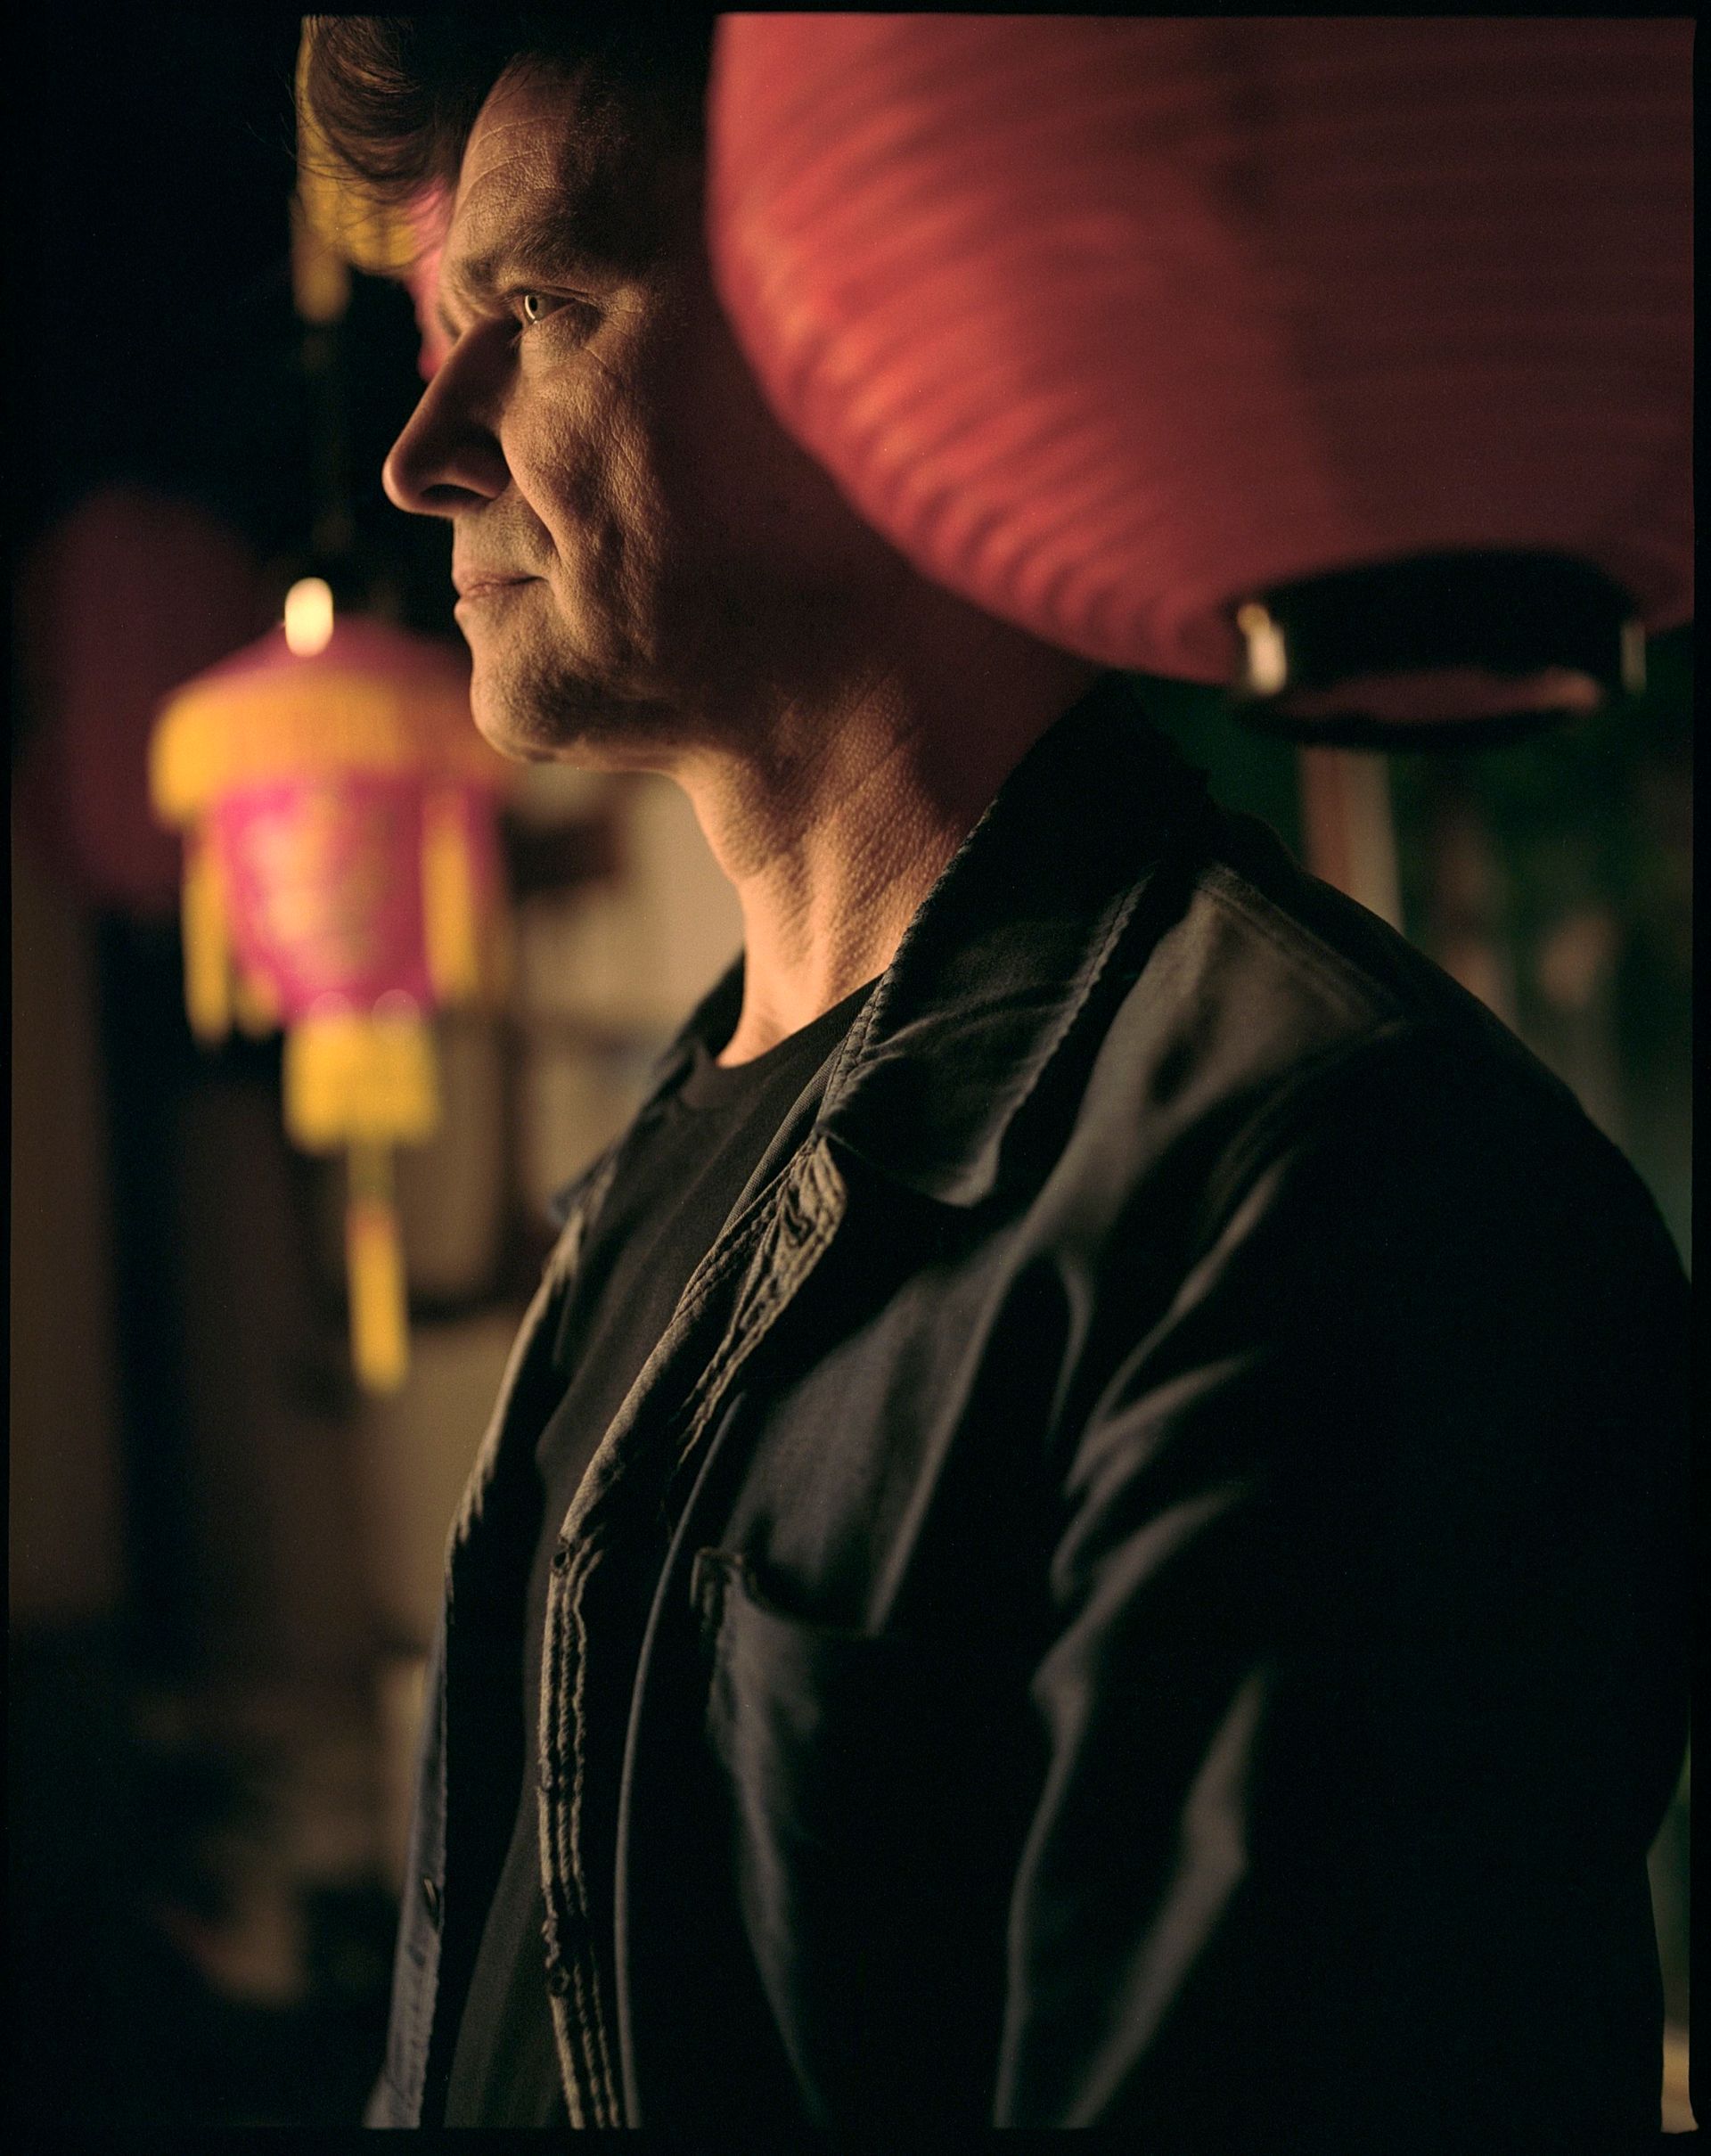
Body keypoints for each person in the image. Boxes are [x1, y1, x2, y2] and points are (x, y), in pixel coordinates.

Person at [305, 18, 1689, 2140]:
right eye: (445, 329)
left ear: (871, 346)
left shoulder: (1334, 1181)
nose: (426, 451)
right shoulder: (657, 1170)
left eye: (545, 307)